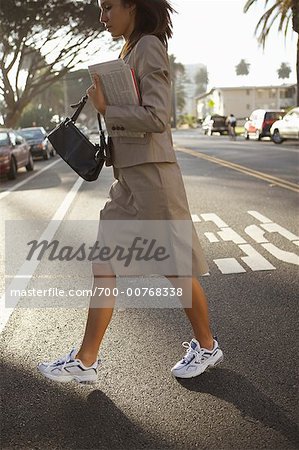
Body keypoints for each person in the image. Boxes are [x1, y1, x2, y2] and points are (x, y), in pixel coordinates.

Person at [38, 0, 223, 384]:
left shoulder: (149, 46)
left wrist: (108, 109)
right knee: (103, 264)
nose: (102, 17)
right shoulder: (129, 49)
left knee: (176, 270)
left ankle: (207, 346)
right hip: (127, 180)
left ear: (133, 7)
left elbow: (158, 117)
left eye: (107, 8)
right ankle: (86, 361)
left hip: (154, 178)